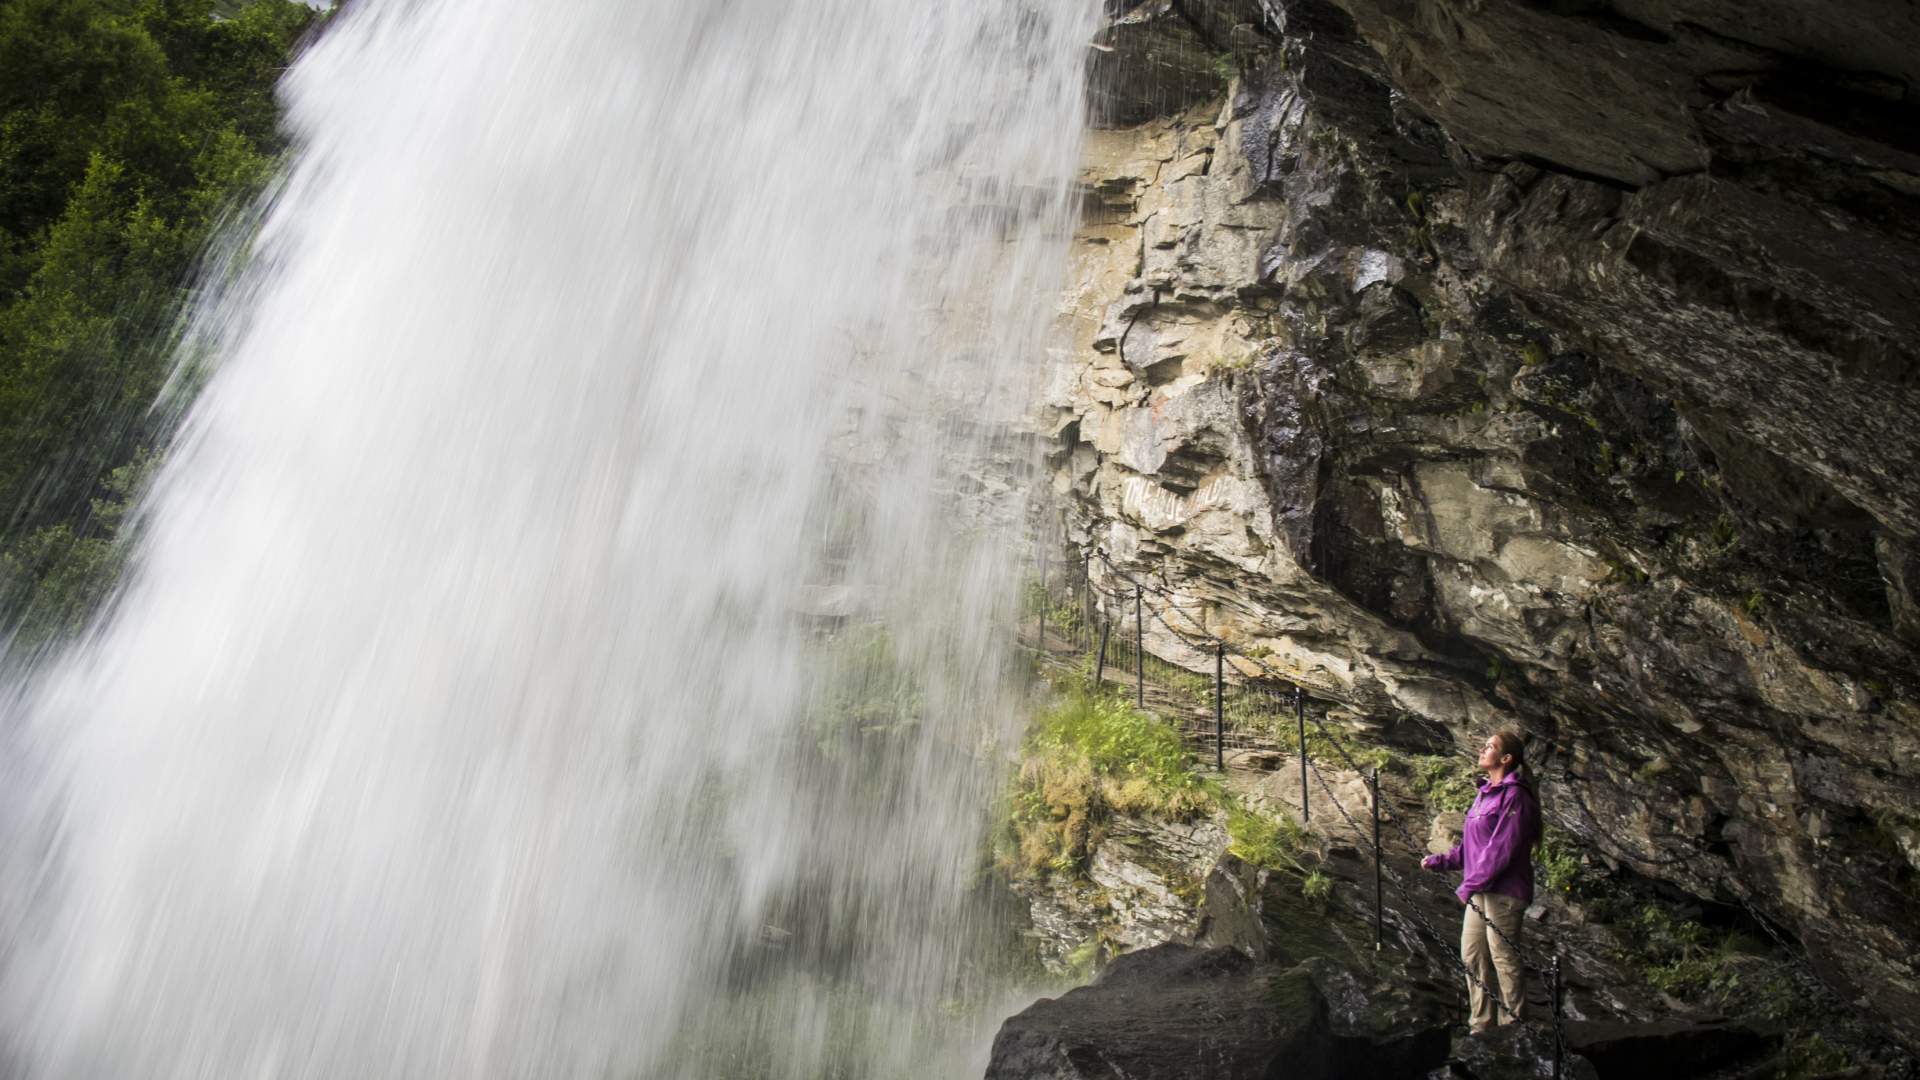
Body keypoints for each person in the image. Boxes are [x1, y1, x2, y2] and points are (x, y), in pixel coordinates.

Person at [1421, 729, 1542, 1034]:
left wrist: (1468, 885)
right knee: (1472, 955)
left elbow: (1501, 849)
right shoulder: (1485, 793)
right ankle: (1482, 1024)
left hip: (1504, 891)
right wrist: (1439, 861)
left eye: (1489, 746)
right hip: (1481, 888)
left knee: (1503, 956)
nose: (1482, 749)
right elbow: (1471, 847)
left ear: (1506, 758)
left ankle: (1513, 1026)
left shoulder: (1516, 796)